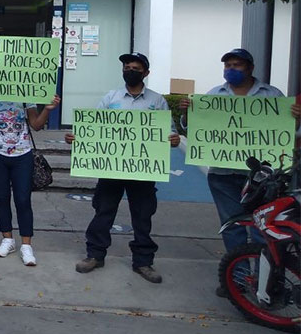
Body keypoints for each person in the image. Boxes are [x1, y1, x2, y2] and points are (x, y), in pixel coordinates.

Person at [178, 48, 301, 294]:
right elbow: (197, 130)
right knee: (232, 226)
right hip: (223, 174)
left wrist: (297, 119)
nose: (231, 70)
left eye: (237, 65)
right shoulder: (215, 94)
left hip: (261, 178)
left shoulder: (272, 95)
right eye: (228, 65)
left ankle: (265, 281)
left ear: (250, 68)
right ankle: (239, 278)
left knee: (262, 228)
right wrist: (187, 114)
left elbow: (289, 134)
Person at [69, 52, 180, 284]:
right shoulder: (111, 98)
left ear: (146, 73)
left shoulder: (157, 101)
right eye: (127, 67)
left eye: (136, 68)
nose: (130, 70)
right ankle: (95, 255)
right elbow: (95, 126)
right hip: (112, 168)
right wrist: (79, 137)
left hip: (143, 169)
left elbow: (169, 130)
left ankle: (143, 262)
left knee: (142, 215)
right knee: (103, 211)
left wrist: (173, 138)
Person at [0, 79, 60, 266]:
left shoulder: (26, 95)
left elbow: (36, 125)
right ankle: (7, 239)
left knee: (23, 199)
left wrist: (47, 109)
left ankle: (26, 245)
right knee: (1, 197)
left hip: (22, 155)